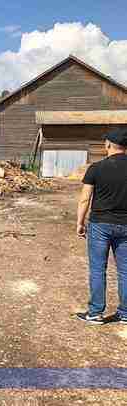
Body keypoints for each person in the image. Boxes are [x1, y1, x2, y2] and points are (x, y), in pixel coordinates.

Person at [76, 129, 127, 325]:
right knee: (125, 270)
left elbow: (84, 199)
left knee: (98, 269)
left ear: (107, 145)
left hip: (100, 225)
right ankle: (125, 313)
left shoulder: (96, 168)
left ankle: (96, 313)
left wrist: (80, 222)